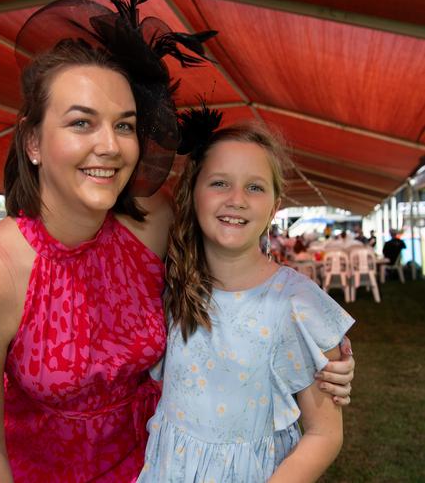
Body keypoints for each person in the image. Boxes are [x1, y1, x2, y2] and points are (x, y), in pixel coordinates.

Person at [0, 0, 354, 482]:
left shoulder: (152, 223)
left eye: (124, 125)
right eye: (81, 122)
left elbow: (237, 277)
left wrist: (323, 350)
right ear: (32, 141)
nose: (110, 145)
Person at [139, 112, 354, 482]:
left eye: (255, 187)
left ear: (274, 206)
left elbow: (325, 433)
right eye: (220, 183)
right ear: (192, 193)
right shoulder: (172, 284)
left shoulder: (297, 304)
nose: (236, 199)